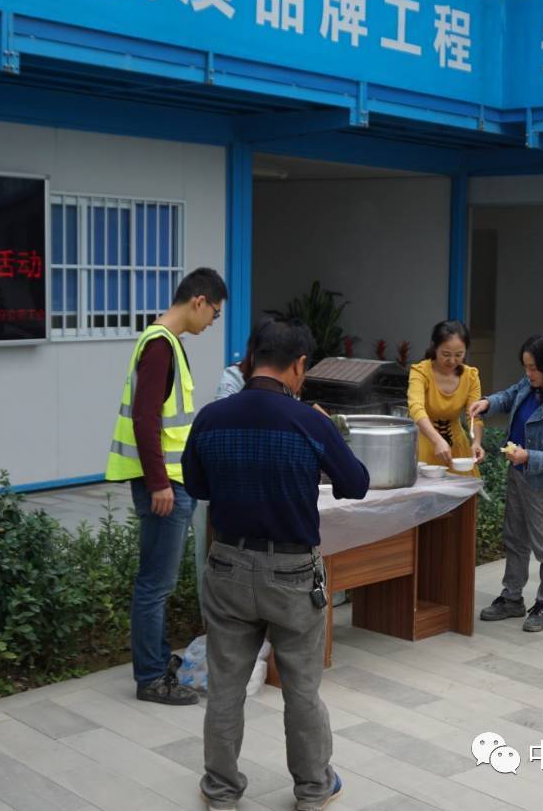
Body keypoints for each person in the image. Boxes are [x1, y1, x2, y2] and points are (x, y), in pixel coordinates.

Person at [182, 319, 370, 811]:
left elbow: (197, 486)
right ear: (299, 365)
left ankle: (221, 790)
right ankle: (313, 788)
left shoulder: (212, 418)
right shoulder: (308, 421)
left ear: (252, 359)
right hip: (292, 574)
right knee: (302, 690)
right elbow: (356, 483)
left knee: (226, 687)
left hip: (227, 565)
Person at [106, 267, 227, 706]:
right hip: (164, 486)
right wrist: (159, 483)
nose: (212, 322)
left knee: (158, 581)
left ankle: (157, 661)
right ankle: (152, 678)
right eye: (214, 313)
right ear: (199, 301)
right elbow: (146, 419)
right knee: (154, 584)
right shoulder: (159, 346)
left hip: (172, 481)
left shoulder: (168, 344)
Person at [470, 333, 543, 633]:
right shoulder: (529, 385)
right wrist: (486, 403)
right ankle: (512, 598)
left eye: (534, 368)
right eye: (526, 367)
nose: (528, 373)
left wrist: (529, 456)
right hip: (518, 474)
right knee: (515, 538)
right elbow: (508, 396)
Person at [408, 320, 485, 473]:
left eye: (459, 355)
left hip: (457, 447)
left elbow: (474, 414)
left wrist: (476, 442)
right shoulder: (420, 372)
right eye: (446, 354)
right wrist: (437, 440)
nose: (452, 360)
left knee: (464, 487)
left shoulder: (470, 376)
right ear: (434, 347)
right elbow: (416, 408)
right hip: (425, 444)